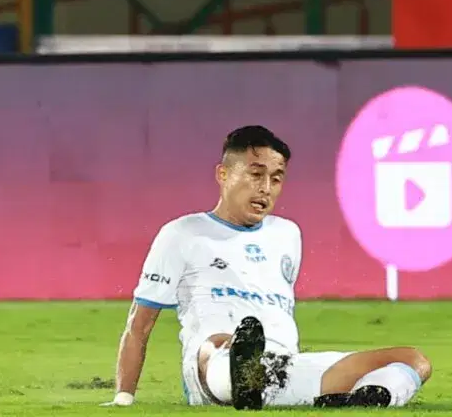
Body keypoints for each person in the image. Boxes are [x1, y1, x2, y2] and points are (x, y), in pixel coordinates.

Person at [104, 125, 431, 410]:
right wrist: (124, 398)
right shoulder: (181, 234)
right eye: (255, 174)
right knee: (217, 342)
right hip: (213, 370)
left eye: (276, 178)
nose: (266, 188)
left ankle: (368, 400)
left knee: (414, 361)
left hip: (284, 368)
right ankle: (242, 375)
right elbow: (139, 325)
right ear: (223, 174)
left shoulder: (287, 234)